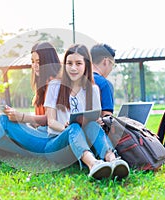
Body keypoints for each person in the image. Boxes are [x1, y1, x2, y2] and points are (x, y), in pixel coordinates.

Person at [43, 44, 129, 180]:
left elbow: (93, 120)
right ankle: (93, 164)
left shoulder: (93, 89)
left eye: (78, 63)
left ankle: (113, 160)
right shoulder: (54, 86)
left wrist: (98, 121)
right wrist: (65, 127)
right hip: (57, 145)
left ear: (86, 65)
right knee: (74, 127)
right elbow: (51, 122)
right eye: (69, 63)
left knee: (92, 125)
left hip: (80, 143)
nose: (73, 68)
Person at [90, 43, 116, 117]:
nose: (111, 69)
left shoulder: (79, 80)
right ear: (106, 61)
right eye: (112, 65)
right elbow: (107, 117)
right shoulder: (104, 84)